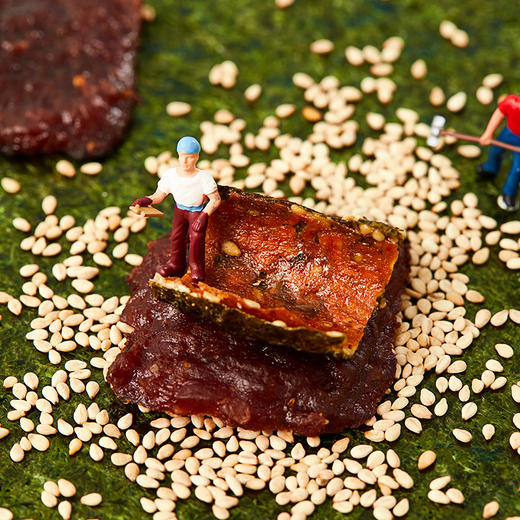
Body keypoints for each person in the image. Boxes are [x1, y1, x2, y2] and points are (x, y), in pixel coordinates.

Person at [131, 136, 220, 283]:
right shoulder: (171, 175)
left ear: (196, 157)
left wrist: (204, 215)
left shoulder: (204, 177)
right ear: (178, 156)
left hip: (196, 211)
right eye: (182, 157)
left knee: (196, 237)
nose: (185, 161)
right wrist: (146, 200)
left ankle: (196, 268)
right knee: (177, 236)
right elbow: (159, 196)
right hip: (179, 210)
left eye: (189, 157)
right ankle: (176, 264)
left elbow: (215, 200)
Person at [476, 94, 520, 211]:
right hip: (509, 133)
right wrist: (488, 133)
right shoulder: (512, 103)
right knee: (495, 150)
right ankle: (490, 168)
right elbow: (499, 113)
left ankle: (509, 193)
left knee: (517, 169)